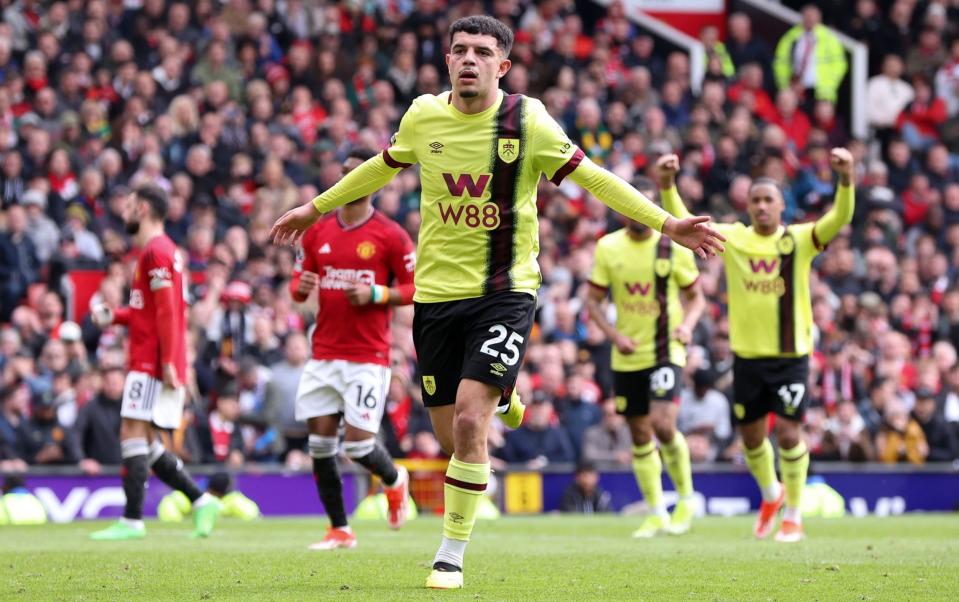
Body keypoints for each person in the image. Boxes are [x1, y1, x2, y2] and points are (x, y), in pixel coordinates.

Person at [271, 16, 725, 590]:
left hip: (504, 291)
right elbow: (376, 169)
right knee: (451, 437)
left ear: (502, 66)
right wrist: (314, 209)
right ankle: (506, 395)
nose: (468, 60)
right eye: (459, 50)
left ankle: (450, 555)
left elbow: (597, 179)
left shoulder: (527, 120)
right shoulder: (422, 116)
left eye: (482, 52)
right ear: (447, 60)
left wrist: (667, 223)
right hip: (436, 298)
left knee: (467, 418)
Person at [662, 147, 855, 543]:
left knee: (787, 433)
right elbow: (688, 224)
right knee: (751, 438)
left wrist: (846, 178)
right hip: (747, 357)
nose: (762, 206)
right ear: (747, 206)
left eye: (769, 200)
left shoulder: (798, 240)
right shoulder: (734, 236)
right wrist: (667, 186)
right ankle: (771, 495)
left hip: (791, 357)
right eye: (756, 200)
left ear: (782, 206)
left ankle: (795, 515)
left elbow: (839, 218)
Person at [288, 147, 416, 551]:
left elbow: (417, 289)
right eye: (342, 173)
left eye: (356, 174)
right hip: (323, 353)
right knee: (320, 446)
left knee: (359, 445)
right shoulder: (319, 232)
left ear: (375, 181)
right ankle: (339, 529)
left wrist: (378, 292)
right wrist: (300, 289)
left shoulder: (390, 235)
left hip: (367, 356)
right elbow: (299, 285)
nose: (347, 181)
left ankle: (395, 480)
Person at [88, 185, 221, 541]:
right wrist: (113, 316)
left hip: (151, 361)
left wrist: (168, 363)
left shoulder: (156, 252)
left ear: (143, 208)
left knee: (132, 434)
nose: (124, 211)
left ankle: (132, 520)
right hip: (150, 358)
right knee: (143, 441)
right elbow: (148, 311)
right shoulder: (158, 251)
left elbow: (168, 313)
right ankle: (201, 500)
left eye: (129, 205)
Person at [586, 171, 706, 538]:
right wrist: (614, 335)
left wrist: (687, 326)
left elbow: (696, 297)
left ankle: (686, 497)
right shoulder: (608, 247)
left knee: (663, 423)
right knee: (639, 433)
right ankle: (656, 511)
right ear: (623, 210)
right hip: (627, 355)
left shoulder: (672, 245)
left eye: (647, 206)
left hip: (665, 349)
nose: (639, 213)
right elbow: (593, 302)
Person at [773, 4, 848, 107]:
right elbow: (780, 62)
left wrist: (829, 85)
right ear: (802, 17)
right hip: (795, 88)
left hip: (820, 91)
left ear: (819, 18)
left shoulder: (829, 38)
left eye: (813, 16)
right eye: (807, 16)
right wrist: (785, 86)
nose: (810, 19)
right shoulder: (790, 37)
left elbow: (840, 64)